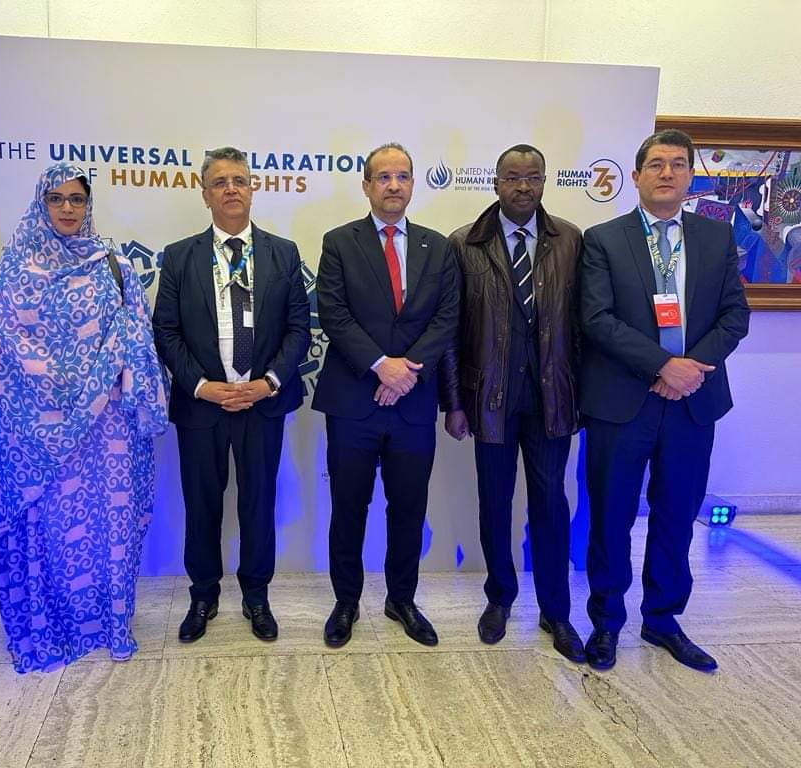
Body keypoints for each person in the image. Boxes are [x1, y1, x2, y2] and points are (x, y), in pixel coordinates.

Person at [0, 162, 169, 673]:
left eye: (77, 199)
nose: (68, 208)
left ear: (89, 205)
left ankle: (110, 624)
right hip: (38, 435)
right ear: (41, 203)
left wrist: (98, 388)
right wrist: (72, 390)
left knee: (107, 532)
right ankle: (51, 626)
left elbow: (137, 340)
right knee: (50, 533)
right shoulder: (15, 269)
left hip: (108, 434)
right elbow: (5, 350)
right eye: (56, 198)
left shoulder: (114, 266)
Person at [579, 129, 750, 672]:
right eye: (656, 164)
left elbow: (735, 316)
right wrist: (661, 365)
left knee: (677, 514)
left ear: (691, 176)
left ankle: (662, 619)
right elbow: (596, 318)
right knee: (611, 516)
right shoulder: (603, 240)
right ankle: (606, 622)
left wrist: (688, 369)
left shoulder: (715, 237)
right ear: (636, 176)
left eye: (678, 164)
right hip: (622, 402)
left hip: (692, 403)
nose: (667, 173)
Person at [152, 147, 309, 643]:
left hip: (262, 402)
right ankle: (203, 595)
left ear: (252, 188)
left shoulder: (283, 253)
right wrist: (202, 385)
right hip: (202, 405)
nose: (231, 189)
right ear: (205, 195)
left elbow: (299, 329)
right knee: (201, 505)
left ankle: (256, 596)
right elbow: (166, 331)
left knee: (259, 503)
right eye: (220, 182)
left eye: (239, 180)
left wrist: (268, 382)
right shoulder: (180, 256)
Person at [438, 144, 585, 662]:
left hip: (551, 400)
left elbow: (582, 327)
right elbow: (450, 331)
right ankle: (499, 598)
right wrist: (454, 403)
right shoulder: (465, 243)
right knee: (495, 504)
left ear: (545, 181)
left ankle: (556, 611)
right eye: (513, 177)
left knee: (551, 505)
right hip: (490, 398)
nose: (523, 186)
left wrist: (580, 397)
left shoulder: (570, 240)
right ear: (495, 182)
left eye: (533, 177)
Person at [314, 142, 458, 648]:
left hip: (413, 402)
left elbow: (447, 317)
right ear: (367, 186)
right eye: (383, 177)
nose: (393, 185)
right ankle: (346, 602)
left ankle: (402, 599)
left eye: (402, 176)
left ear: (413, 183)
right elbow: (334, 314)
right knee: (348, 508)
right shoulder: (339, 242)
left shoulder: (438, 247)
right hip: (353, 401)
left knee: (408, 508)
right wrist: (382, 366)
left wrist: (406, 372)